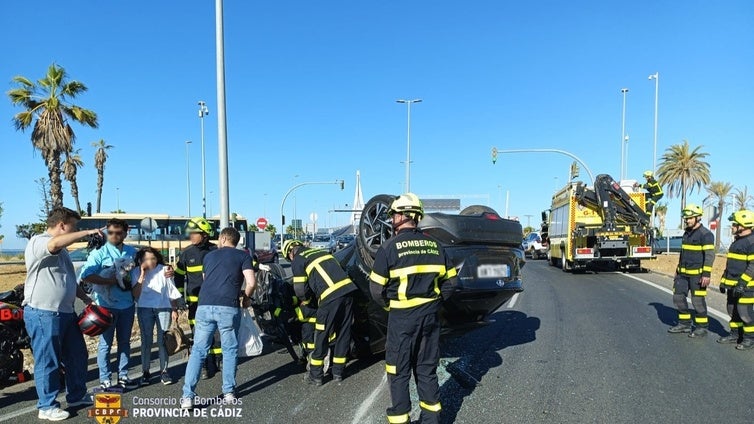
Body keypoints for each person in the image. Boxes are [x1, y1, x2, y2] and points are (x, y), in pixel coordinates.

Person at [368, 193, 458, 424]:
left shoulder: (389, 248)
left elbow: (376, 290)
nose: (391, 219)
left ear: (403, 216)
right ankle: (432, 419)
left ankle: (401, 419)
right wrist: (435, 301)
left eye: (394, 214)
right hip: (430, 317)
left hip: (402, 319)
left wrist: (392, 305)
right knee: (426, 369)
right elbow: (452, 282)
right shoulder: (436, 246)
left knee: (398, 372)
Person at [23, 207, 97, 421]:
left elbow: (69, 281)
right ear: (63, 225)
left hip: (65, 313)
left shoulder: (63, 252)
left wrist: (84, 297)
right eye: (74, 226)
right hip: (43, 312)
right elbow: (54, 244)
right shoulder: (39, 241)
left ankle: (76, 395)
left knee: (77, 355)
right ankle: (46, 406)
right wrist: (86, 234)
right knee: (48, 360)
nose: (76, 230)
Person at [181, 227, 256, 409]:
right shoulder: (243, 256)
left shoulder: (209, 256)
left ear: (223, 238)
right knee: (229, 349)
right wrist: (246, 298)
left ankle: (188, 396)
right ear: (236, 241)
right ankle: (228, 392)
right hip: (228, 306)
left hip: (204, 305)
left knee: (198, 350)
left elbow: (207, 278)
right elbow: (252, 282)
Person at [283, 237, 356, 385]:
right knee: (343, 332)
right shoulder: (321, 252)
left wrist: (307, 301)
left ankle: (316, 375)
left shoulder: (299, 259)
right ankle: (338, 372)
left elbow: (300, 290)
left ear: (290, 253)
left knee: (321, 334)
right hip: (348, 292)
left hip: (330, 297)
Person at [79, 218, 139, 391]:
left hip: (127, 305)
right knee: (105, 344)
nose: (113, 235)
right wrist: (108, 281)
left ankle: (124, 376)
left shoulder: (131, 251)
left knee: (124, 342)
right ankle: (105, 379)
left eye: (118, 232)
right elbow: (86, 275)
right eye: (110, 232)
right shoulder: (99, 252)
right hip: (105, 306)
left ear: (125, 233)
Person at [174, 217, 219, 379]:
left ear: (205, 234)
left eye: (194, 233)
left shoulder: (216, 251)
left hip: (215, 302)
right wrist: (179, 299)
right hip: (195, 304)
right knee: (198, 336)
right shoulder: (186, 253)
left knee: (216, 334)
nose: (191, 236)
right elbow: (178, 278)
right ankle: (206, 365)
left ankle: (217, 362)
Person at [131, 247, 181, 385]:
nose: (150, 262)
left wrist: (174, 309)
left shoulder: (165, 270)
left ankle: (164, 371)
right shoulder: (135, 272)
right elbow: (135, 294)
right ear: (140, 260)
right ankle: (145, 372)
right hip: (144, 308)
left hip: (163, 307)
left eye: (153, 258)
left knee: (163, 341)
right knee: (146, 342)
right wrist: (142, 274)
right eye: (146, 259)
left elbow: (171, 289)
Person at [668, 204, 715, 337]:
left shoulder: (706, 235)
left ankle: (702, 327)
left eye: (689, 218)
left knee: (697, 302)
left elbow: (709, 255)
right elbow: (683, 253)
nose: (687, 220)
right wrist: (678, 270)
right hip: (682, 274)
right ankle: (684, 324)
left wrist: (706, 274)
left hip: (698, 276)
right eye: (686, 218)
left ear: (698, 218)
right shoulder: (686, 233)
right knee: (678, 298)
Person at [717, 210, 754, 349]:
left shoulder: (752, 242)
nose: (732, 227)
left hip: (747, 287)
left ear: (743, 225)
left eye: (734, 224)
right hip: (732, 285)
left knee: (745, 312)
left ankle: (749, 339)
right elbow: (731, 265)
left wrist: (742, 284)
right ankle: (735, 335)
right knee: (732, 310)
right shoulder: (737, 241)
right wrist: (723, 281)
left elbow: (753, 266)